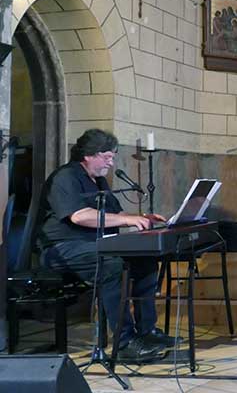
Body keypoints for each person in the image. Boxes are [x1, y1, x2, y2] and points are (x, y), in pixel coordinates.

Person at [37, 129, 180, 363]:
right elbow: (79, 216)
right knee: (111, 265)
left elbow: (116, 214)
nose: (111, 163)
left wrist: (141, 218)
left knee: (145, 259)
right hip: (61, 248)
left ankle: (147, 332)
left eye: (112, 157)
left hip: (94, 245)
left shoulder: (99, 180)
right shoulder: (65, 177)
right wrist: (127, 220)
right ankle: (124, 342)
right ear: (88, 155)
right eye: (107, 157)